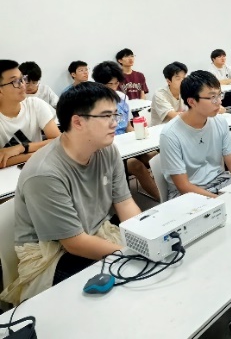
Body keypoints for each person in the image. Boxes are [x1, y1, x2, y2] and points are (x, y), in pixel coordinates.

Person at [0, 82, 142, 305]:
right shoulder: (45, 173)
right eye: (106, 116)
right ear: (77, 122)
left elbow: (124, 203)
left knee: (147, 264)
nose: (115, 122)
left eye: (115, 115)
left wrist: (145, 235)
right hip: (54, 255)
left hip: (96, 232)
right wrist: (131, 252)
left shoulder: (107, 150)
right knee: (125, 284)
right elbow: (74, 243)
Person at [159, 71, 231, 199]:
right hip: (189, 194)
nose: (219, 102)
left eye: (219, 95)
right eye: (212, 97)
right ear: (192, 102)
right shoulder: (170, 134)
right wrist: (220, 201)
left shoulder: (220, 122)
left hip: (221, 182)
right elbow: (184, 186)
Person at [92, 61, 159, 200]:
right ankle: (162, 198)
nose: (113, 87)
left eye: (116, 83)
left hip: (126, 144)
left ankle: (173, 191)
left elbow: (127, 125)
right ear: (99, 84)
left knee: (155, 156)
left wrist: (139, 137)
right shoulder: (93, 102)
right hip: (108, 149)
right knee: (135, 165)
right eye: (109, 84)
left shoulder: (122, 97)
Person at [0, 60, 61, 169]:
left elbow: (58, 141)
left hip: (39, 170)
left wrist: (21, 148)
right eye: (15, 81)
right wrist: (34, 155)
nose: (23, 85)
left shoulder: (35, 104)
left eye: (22, 79)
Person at [151, 61, 188, 125]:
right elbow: (173, 115)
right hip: (160, 128)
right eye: (178, 79)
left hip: (179, 126)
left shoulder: (186, 90)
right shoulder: (159, 94)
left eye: (184, 78)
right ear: (168, 81)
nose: (183, 81)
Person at [209, 49, 231, 115]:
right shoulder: (210, 70)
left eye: (224, 56)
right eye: (219, 56)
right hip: (216, 97)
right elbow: (216, 83)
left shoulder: (228, 67)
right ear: (213, 59)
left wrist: (227, 81)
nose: (223, 58)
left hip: (227, 94)